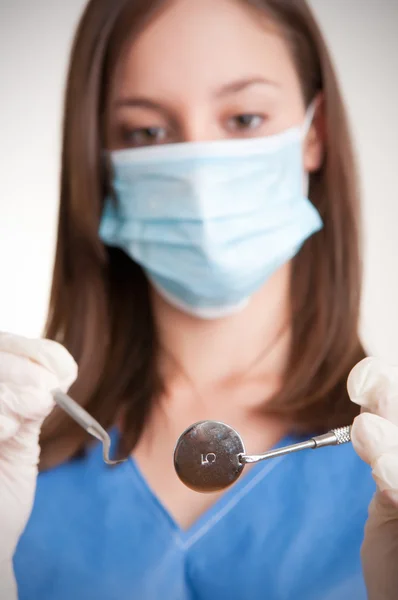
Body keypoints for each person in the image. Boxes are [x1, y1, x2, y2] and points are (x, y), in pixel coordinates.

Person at [0, 0, 397, 598]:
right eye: (147, 131)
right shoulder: (18, 459)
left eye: (243, 118)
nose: (200, 172)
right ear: (102, 163)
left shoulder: (382, 462)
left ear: (313, 134)